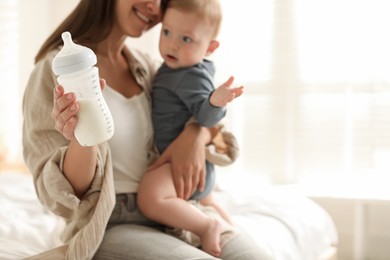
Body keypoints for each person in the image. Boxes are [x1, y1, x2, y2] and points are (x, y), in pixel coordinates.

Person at [22, 0, 269, 259]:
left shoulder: (151, 67)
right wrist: (82, 139)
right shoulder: (55, 74)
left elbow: (210, 120)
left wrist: (195, 133)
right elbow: (61, 198)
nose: (154, 6)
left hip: (180, 212)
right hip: (114, 223)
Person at [137, 0, 242, 257]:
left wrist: (215, 102)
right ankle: (228, 224)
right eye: (167, 32)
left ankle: (208, 226)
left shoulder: (190, 75)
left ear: (210, 47)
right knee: (208, 200)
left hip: (182, 166)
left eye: (187, 39)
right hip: (195, 167)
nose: (172, 44)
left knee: (150, 196)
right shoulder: (177, 67)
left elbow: (205, 117)